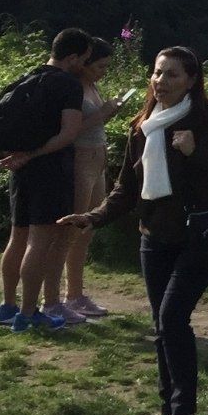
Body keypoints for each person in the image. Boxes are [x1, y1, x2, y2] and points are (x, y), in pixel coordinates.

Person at [61, 46, 208, 415]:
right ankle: (168, 414)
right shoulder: (144, 125)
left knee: (172, 319)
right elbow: (127, 190)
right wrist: (92, 217)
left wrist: (197, 153)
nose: (161, 82)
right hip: (155, 237)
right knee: (163, 326)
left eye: (172, 75)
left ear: (192, 81)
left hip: (200, 235)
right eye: (157, 73)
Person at [0, 28, 94, 332]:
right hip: (49, 170)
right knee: (40, 241)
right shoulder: (68, 85)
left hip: (20, 168)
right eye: (84, 60)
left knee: (17, 237)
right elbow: (68, 133)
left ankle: (7, 307)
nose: (85, 66)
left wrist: (22, 156)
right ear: (72, 57)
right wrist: (34, 154)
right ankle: (27, 315)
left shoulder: (28, 78)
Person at [60, 37, 128, 322]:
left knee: (88, 227)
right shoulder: (73, 89)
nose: (103, 71)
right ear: (84, 63)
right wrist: (102, 113)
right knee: (73, 228)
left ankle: (75, 293)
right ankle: (64, 295)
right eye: (100, 65)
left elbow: (95, 122)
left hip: (98, 158)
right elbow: (70, 131)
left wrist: (109, 112)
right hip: (81, 159)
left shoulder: (92, 86)